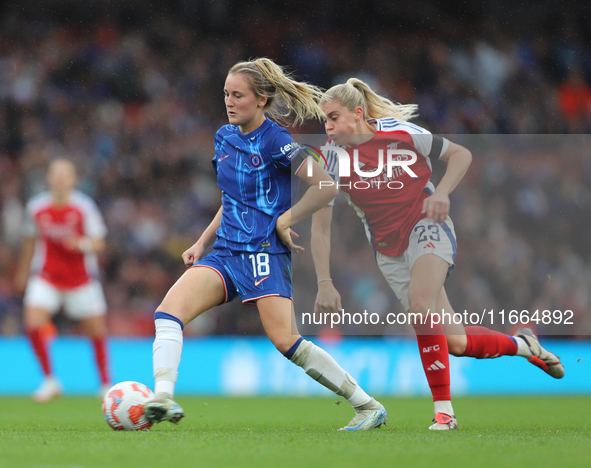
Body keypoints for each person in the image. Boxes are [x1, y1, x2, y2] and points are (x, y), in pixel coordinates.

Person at [143, 58, 387, 431]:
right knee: (167, 313)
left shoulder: (276, 140)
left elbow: (324, 185)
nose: (229, 101)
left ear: (261, 99)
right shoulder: (224, 137)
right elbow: (232, 199)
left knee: (286, 341)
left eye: (238, 95)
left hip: (263, 253)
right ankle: (162, 396)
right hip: (225, 253)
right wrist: (201, 241)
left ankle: (367, 405)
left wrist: (286, 219)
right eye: (226, 94)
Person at [310, 78, 564, 430]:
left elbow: (462, 154)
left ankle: (444, 412)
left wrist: (441, 193)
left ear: (357, 114)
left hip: (427, 224)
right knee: (456, 342)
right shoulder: (329, 160)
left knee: (420, 302)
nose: (328, 127)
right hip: (388, 250)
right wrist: (325, 282)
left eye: (334, 117)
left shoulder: (401, 133)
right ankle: (523, 345)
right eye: (324, 120)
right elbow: (320, 228)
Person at [15, 159, 111, 402]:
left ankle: (104, 384)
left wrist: (82, 244)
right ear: (48, 178)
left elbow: (99, 242)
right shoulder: (36, 208)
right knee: (32, 321)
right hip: (46, 276)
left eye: (65, 174)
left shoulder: (84, 207)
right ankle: (49, 380)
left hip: (81, 280)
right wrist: (22, 272)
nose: (59, 178)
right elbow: (29, 241)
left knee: (97, 331)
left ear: (72, 179)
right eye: (55, 174)